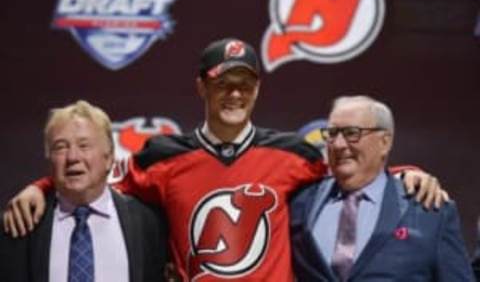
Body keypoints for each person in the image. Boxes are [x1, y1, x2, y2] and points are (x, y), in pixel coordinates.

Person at [3, 39, 446, 281]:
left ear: (257, 89)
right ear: (201, 87)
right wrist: (42, 187)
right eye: (222, 83)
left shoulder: (293, 153)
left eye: (245, 84)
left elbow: (354, 174)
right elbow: (93, 186)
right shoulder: (161, 157)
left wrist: (405, 172)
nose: (234, 94)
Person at [290, 95, 473, 281]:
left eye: (352, 133)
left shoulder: (430, 210)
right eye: (332, 133)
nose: (338, 144)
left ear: (385, 142)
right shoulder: (299, 204)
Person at [0, 100, 168, 282]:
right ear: (49, 160)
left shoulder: (149, 223)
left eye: (84, 145)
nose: (73, 157)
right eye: (60, 147)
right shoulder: (21, 224)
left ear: (109, 157)